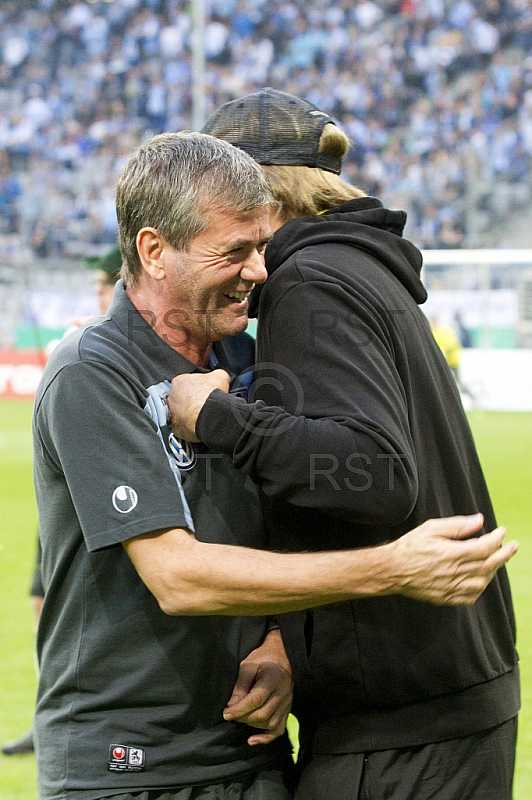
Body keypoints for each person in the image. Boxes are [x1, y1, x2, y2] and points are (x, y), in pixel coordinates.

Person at [33, 131, 516, 800]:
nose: (260, 271)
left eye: (261, 246)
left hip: (255, 757)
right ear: (153, 251)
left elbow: (276, 531)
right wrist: (392, 569)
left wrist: (282, 642)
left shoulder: (242, 363)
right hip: (133, 768)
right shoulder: (92, 371)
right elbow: (179, 577)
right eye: (234, 251)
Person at [166, 90, 521, 800]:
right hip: (441, 708)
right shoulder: (361, 266)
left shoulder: (310, 279)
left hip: (399, 733)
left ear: (256, 193)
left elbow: (373, 473)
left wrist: (218, 418)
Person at [1, 244, 122, 758]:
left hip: (98, 490)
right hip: (62, 492)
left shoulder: (108, 343)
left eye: (102, 283)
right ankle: (48, 705)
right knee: (39, 598)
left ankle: (80, 709)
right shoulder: (84, 334)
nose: (95, 291)